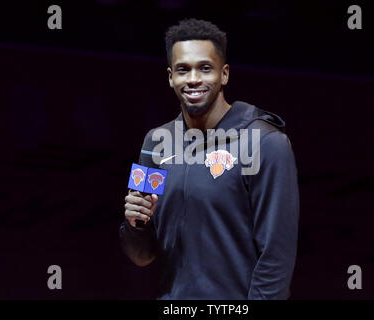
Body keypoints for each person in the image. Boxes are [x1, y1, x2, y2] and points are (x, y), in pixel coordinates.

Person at [119, 18, 300, 299]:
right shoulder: (155, 143)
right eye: (183, 70)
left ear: (224, 74)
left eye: (205, 68)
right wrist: (133, 225)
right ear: (170, 77)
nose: (193, 79)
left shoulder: (266, 143)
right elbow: (141, 255)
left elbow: (277, 254)